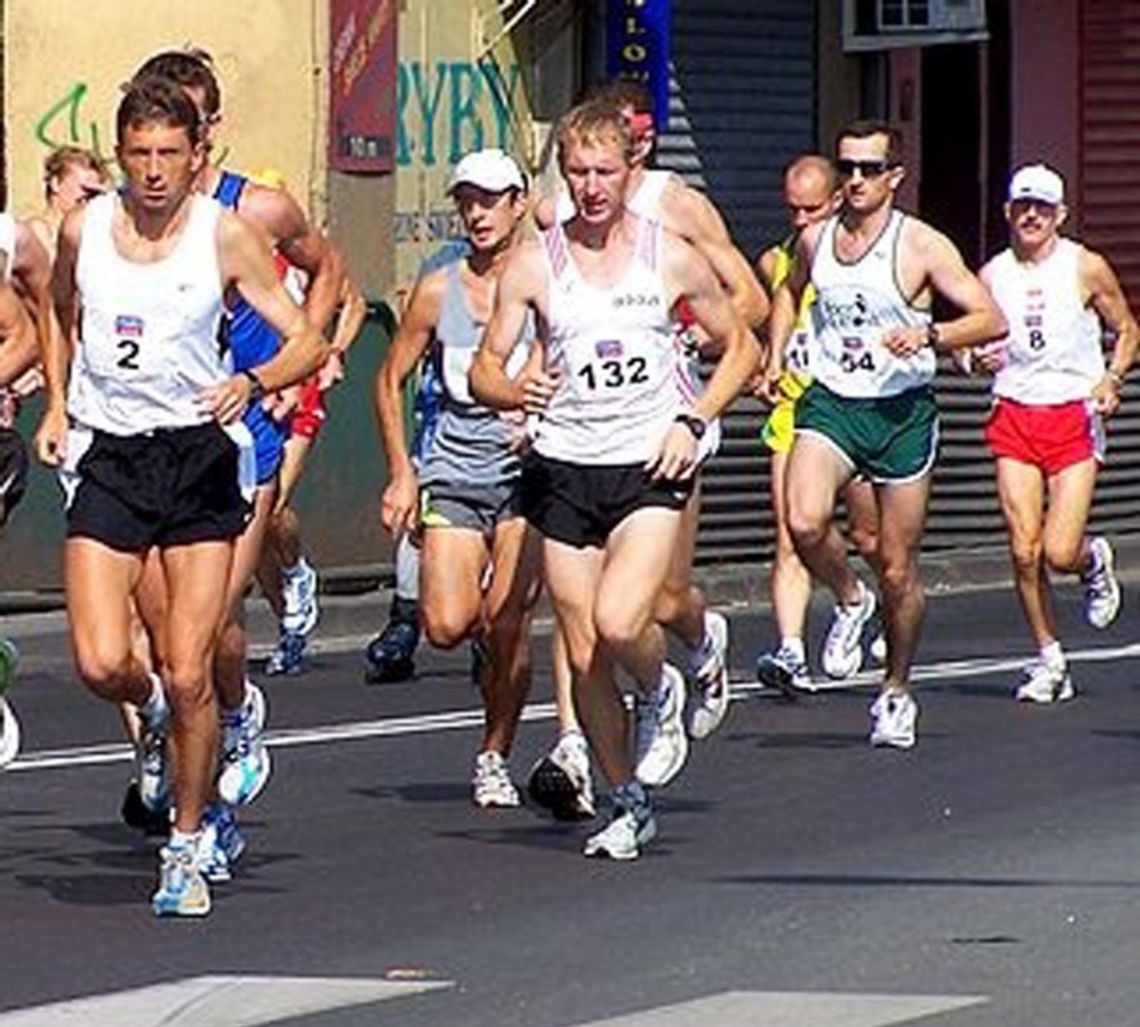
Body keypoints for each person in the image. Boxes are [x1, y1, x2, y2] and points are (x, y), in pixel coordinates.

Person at [35, 76, 326, 915]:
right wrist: (57, 400)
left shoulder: (224, 235)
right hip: (111, 456)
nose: (155, 170)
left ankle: (188, 841)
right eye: (139, 154)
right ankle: (156, 706)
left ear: (198, 155)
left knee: (191, 662)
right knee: (99, 659)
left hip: (199, 460)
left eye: (171, 153)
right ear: (120, 155)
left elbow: (306, 335)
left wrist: (255, 378)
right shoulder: (86, 228)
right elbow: (59, 309)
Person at [471, 100, 759, 858]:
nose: (592, 187)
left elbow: (741, 347)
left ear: (631, 171)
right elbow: (484, 368)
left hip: (647, 461)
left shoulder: (670, 255)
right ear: (562, 177)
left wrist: (693, 419)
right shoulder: (535, 261)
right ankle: (626, 798)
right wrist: (512, 391)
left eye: (605, 171)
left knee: (623, 619)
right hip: (565, 466)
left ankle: (661, 686)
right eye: (578, 173)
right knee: (584, 644)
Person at [128, 49, 345, 829]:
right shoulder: (125, 222)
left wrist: (295, 366)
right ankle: (184, 729)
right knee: (159, 634)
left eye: (186, 125)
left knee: (212, 617)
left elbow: (329, 269)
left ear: (207, 133)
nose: (169, 152)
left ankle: (219, 774)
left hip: (241, 433)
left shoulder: (257, 211)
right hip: (151, 440)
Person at [767, 119, 1006, 749]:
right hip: (834, 403)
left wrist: (929, 334)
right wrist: (778, 352)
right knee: (804, 520)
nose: (854, 181)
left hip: (900, 415)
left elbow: (988, 317)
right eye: (846, 168)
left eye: (869, 170)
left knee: (898, 570)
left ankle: (896, 689)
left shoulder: (920, 244)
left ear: (894, 177)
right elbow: (788, 294)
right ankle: (849, 598)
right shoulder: (816, 240)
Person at [377, 148, 541, 808]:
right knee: (446, 625)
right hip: (455, 462)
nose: (478, 212)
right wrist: (401, 473)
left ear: (517, 204)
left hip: (534, 470)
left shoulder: (545, 280)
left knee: (510, 623)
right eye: (467, 200)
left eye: (491, 199)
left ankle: (494, 752)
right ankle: (484, 651)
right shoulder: (441, 288)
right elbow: (389, 379)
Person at [970, 163, 1136, 702]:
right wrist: (973, 359)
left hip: (1072, 412)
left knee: (1058, 551)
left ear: (1061, 215)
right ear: (1008, 212)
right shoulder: (992, 275)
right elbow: (964, 346)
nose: (1032, 216)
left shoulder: (1085, 267)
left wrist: (1111, 378)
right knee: (1023, 550)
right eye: (1023, 206)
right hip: (1016, 411)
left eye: (1042, 207)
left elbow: (1128, 328)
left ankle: (1092, 560)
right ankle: (1049, 659)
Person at [754, 154, 882, 692]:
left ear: (835, 202)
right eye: (792, 210)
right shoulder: (773, 263)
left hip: (858, 408)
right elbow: (762, 324)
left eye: (811, 209)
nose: (800, 221)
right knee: (792, 532)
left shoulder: (866, 260)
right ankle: (790, 651)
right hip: (798, 411)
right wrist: (769, 364)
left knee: (872, 537)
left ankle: (876, 601)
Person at [28, 146, 111, 258]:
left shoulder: (93, 236)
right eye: (85, 190)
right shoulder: (36, 233)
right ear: (56, 184)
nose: (89, 199)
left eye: (95, 193)